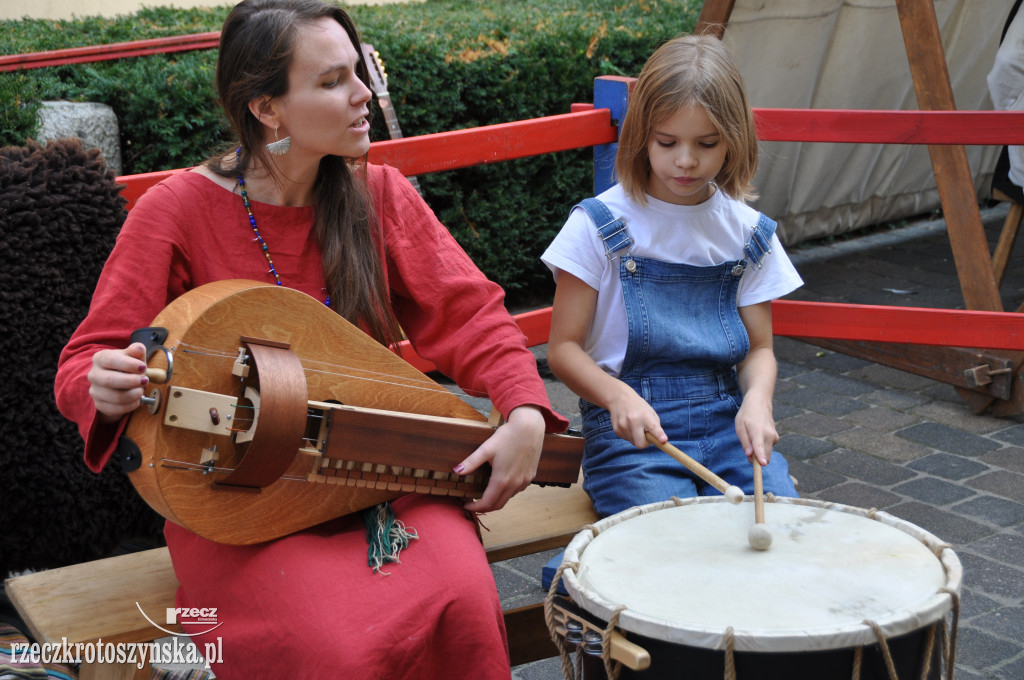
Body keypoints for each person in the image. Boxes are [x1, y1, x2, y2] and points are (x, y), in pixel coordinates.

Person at [54, 1, 569, 677]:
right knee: (336, 644)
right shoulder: (175, 211)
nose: (364, 96)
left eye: (358, 72)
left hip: (383, 474)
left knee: (463, 601)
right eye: (332, 81)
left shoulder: (378, 193)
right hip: (240, 497)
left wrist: (526, 410)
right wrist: (106, 382)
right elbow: (83, 362)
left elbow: (471, 315)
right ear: (268, 109)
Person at [541, 34, 800, 518]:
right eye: (667, 142)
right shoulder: (598, 225)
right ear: (641, 135)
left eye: (707, 143)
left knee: (784, 523)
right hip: (632, 434)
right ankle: (580, 592)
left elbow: (759, 348)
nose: (686, 160)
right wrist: (617, 396)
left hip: (727, 425)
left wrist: (758, 403)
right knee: (663, 538)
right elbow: (563, 350)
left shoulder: (747, 233)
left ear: (735, 138)